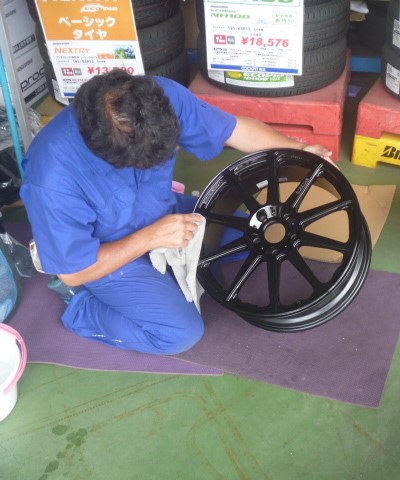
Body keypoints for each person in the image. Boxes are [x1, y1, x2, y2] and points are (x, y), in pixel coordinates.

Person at [20, 69, 333, 355]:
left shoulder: (157, 99)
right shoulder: (51, 177)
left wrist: (300, 150)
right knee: (179, 334)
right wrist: (150, 238)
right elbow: (74, 270)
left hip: (163, 212)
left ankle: (166, 260)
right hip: (102, 254)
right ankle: (81, 307)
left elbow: (234, 130)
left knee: (254, 235)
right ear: (107, 153)